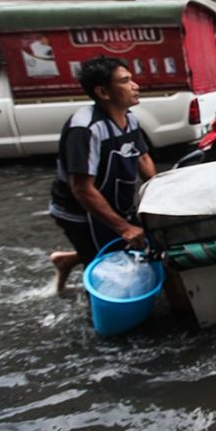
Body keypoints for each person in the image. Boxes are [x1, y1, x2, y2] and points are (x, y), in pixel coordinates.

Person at [48, 56, 156, 292]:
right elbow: (82, 189)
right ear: (103, 92)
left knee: (143, 243)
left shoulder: (130, 119)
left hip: (115, 203)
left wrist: (160, 193)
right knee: (106, 273)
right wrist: (124, 228)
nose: (135, 85)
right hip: (80, 212)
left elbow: (143, 157)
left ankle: (67, 259)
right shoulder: (85, 129)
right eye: (125, 81)